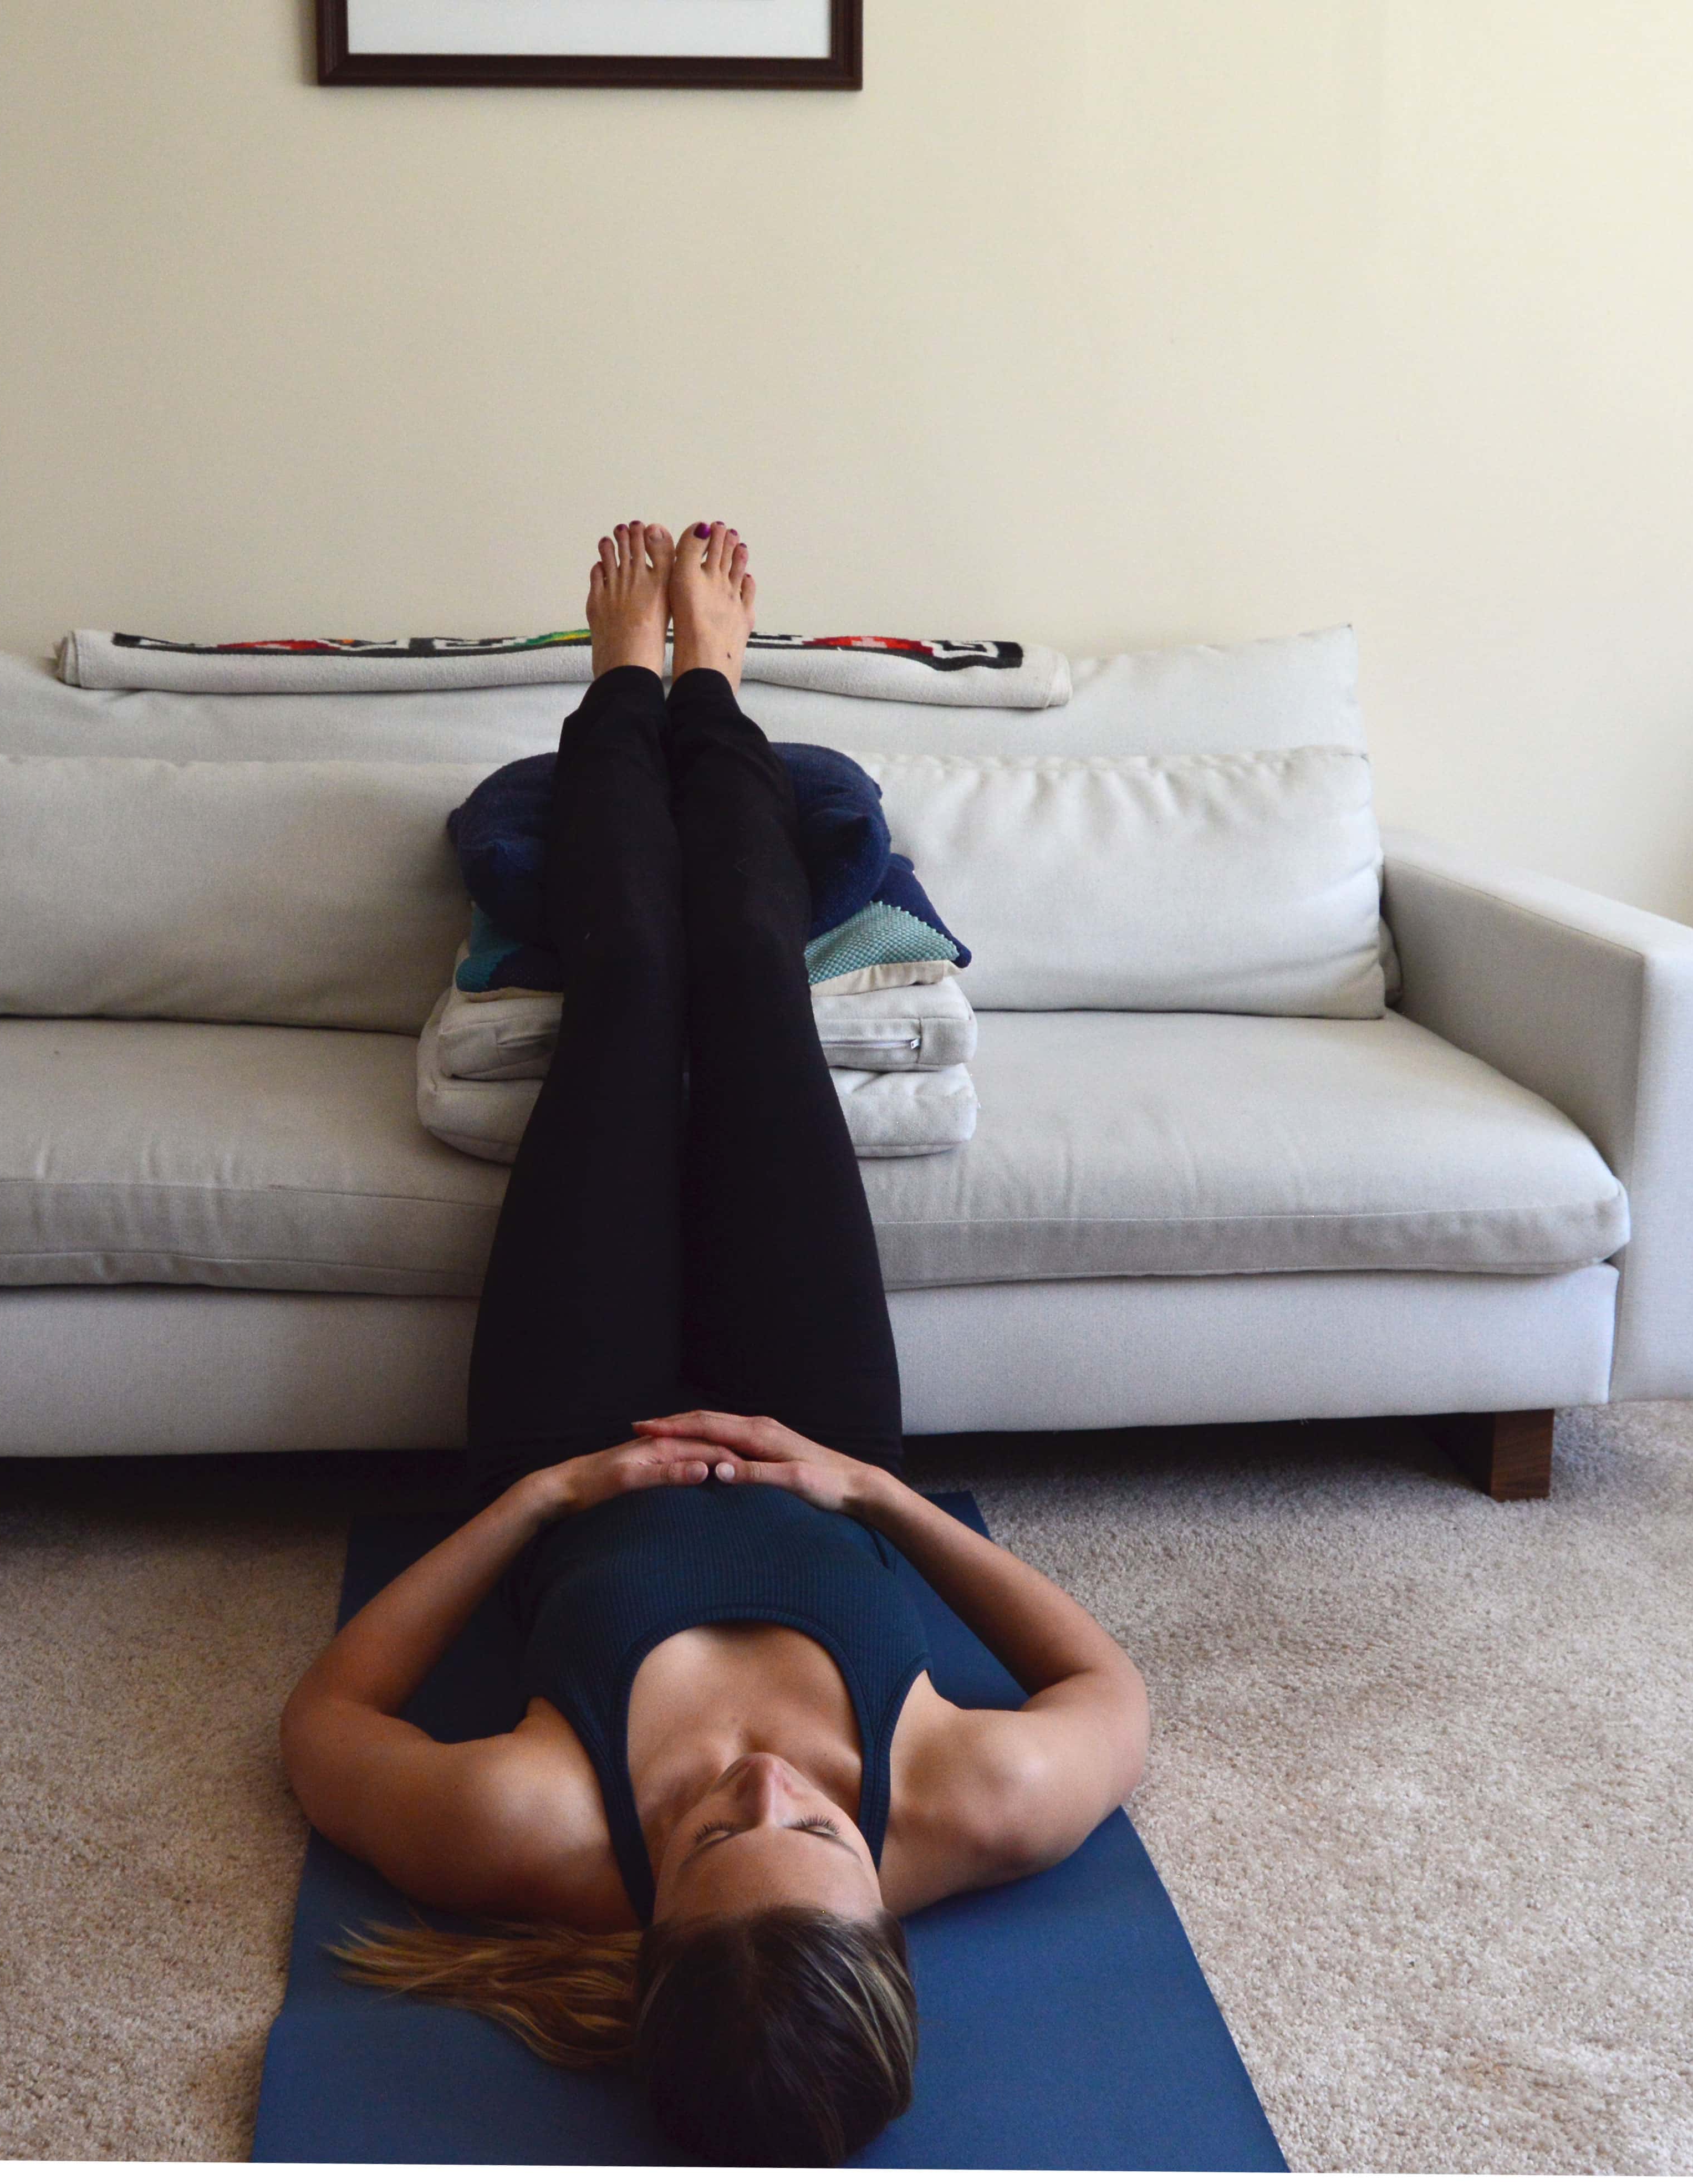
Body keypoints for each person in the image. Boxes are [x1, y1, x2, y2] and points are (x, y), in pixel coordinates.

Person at [278, 521, 1151, 2166]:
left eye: (704, 1834)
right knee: (749, 980)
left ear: (648, 1933)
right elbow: (1105, 1686)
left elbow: (325, 1726)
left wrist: (546, 1499)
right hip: (813, 1426)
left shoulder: (533, 1830)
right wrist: (877, 1498)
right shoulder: (974, 1808)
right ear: (883, 1904)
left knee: (630, 986)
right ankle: (720, 692)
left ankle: (618, 684)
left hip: (578, 1426)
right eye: (814, 1823)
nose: (758, 1783)